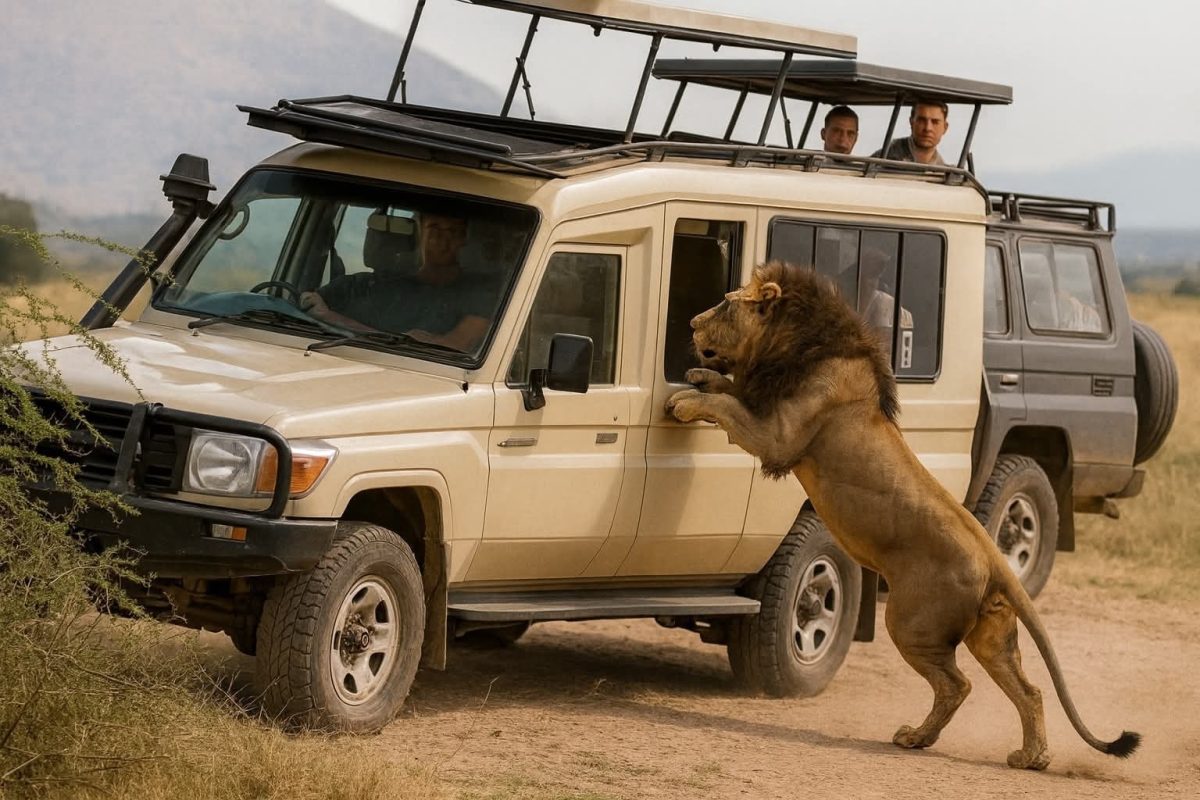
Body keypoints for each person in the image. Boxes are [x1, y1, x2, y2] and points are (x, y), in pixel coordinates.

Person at [301, 212, 493, 351]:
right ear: (419, 233)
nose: (443, 240)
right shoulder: (355, 286)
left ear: (464, 239)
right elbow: (301, 310)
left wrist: (332, 318)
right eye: (434, 229)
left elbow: (455, 346)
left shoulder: (481, 297)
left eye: (453, 231)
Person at [872, 101, 949, 165]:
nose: (927, 128)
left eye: (935, 122)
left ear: (945, 128)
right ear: (911, 122)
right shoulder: (883, 158)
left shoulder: (944, 172)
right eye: (921, 120)